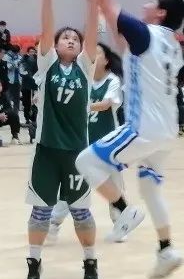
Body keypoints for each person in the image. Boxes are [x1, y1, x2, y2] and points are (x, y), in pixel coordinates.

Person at [75, 0, 184, 279]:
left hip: (144, 128)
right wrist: (100, 5)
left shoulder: (146, 33)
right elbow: (120, 40)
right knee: (150, 188)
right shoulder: (170, 44)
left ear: (161, 12)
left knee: (86, 161)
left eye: (151, 1)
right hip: (167, 133)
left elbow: (107, 0)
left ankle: (124, 212)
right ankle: (166, 250)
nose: (144, 4)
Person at [24, 0, 99, 279]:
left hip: (77, 153)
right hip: (46, 151)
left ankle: (90, 261)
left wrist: (93, 6)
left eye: (74, 38)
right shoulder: (48, 64)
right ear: (55, 46)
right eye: (65, 37)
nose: (70, 39)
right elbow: (46, 29)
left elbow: (92, 34)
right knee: (40, 212)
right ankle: (34, 261)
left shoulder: (85, 66)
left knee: (81, 213)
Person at [49, 42, 126, 244]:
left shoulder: (113, 81)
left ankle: (121, 223)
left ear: (106, 60)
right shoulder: (82, 79)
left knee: (114, 186)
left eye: (97, 53)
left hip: (108, 144)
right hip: (84, 143)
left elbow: (106, 104)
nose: (92, 56)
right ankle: (53, 223)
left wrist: (81, 106)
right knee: (73, 184)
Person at [20, 46, 39, 124]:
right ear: (27, 52)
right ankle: (27, 118)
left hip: (35, 84)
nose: (32, 53)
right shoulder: (23, 60)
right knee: (26, 102)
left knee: (35, 102)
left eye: (33, 51)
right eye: (30, 51)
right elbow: (21, 71)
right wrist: (29, 76)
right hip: (26, 85)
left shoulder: (38, 60)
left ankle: (34, 118)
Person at [4, 45, 24, 114]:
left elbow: (22, 68)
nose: (16, 54)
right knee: (8, 98)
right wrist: (14, 64)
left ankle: (16, 114)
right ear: (11, 51)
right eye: (14, 52)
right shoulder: (6, 57)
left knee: (17, 99)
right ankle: (8, 113)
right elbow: (8, 67)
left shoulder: (20, 57)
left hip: (18, 81)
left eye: (17, 52)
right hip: (9, 81)